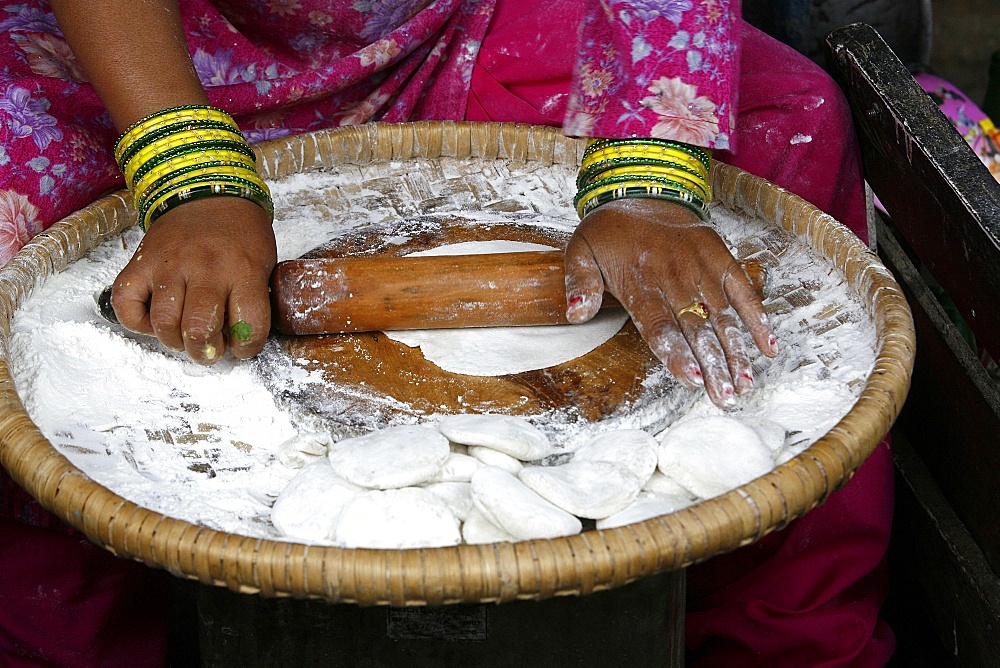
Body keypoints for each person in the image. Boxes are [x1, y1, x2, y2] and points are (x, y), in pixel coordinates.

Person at [0, 1, 894, 665]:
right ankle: (70, 640)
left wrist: (647, 176)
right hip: (152, 56)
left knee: (788, 118)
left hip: (442, 26)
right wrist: (187, 172)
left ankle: (779, 638)